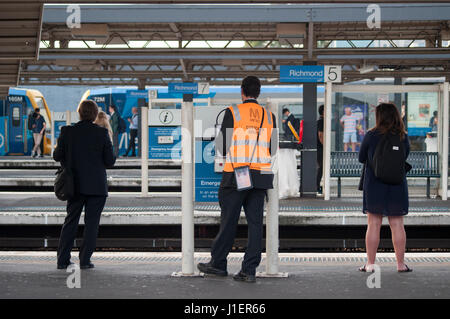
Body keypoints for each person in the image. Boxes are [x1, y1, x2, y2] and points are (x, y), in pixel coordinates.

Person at [197, 76, 277, 283]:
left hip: (236, 174)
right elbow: (273, 148)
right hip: (261, 175)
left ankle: (218, 263)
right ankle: (249, 270)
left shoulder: (233, 112)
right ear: (258, 92)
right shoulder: (270, 116)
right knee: (255, 224)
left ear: (242, 91)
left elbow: (222, 147)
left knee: (229, 220)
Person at [54, 100, 115, 270]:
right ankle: (85, 261)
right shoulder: (102, 133)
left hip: (74, 185)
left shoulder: (67, 132)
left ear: (79, 113)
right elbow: (110, 161)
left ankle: (63, 260)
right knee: (92, 223)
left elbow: (56, 156)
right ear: (95, 115)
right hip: (96, 186)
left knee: (70, 221)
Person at [358, 103, 412, 273]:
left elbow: (361, 158)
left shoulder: (371, 135)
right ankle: (400, 264)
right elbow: (405, 155)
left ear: (379, 117)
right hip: (396, 184)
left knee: (374, 223)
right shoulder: (403, 136)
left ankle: (370, 265)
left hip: (374, 183)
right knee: (397, 224)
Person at [316, 105, 324, 195]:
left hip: (319, 147)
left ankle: (317, 185)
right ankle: (317, 186)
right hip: (320, 147)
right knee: (321, 167)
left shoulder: (319, 121)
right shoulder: (322, 121)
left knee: (321, 167)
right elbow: (320, 135)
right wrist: (325, 146)